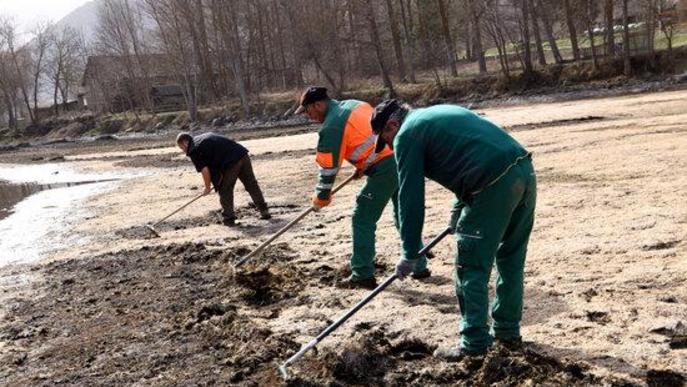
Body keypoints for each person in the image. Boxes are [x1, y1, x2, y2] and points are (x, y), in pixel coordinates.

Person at [370, 99, 537, 361]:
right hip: (524, 171)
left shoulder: (407, 134)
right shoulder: (436, 114)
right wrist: (457, 212)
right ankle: (507, 332)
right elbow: (470, 153)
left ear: (392, 124)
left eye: (386, 139)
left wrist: (409, 251)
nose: (389, 146)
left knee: (469, 266)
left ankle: (474, 344)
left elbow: (410, 196)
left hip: (491, 184)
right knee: (510, 258)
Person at [295, 86, 430, 289]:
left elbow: (328, 169)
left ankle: (362, 273)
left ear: (318, 104)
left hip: (384, 168)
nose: (308, 116)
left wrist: (321, 197)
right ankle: (419, 266)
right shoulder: (353, 104)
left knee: (363, 217)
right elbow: (370, 135)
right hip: (399, 156)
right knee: (403, 215)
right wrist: (362, 165)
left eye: (307, 111)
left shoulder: (331, 127)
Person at [176, 132, 270, 226]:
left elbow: (205, 170)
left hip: (231, 162)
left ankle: (228, 219)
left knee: (225, 190)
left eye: (182, 148)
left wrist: (207, 187)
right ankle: (264, 211)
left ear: (185, 143)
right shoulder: (200, 139)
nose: (183, 151)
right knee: (251, 184)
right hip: (242, 154)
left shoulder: (193, 150)